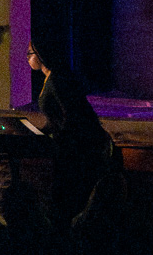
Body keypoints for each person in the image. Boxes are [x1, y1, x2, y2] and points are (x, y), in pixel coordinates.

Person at [26, 38, 114, 222]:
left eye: (30, 53)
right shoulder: (51, 78)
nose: (27, 58)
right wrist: (36, 131)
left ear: (41, 54)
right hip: (70, 145)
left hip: (77, 149)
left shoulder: (57, 80)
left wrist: (57, 140)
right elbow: (55, 118)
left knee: (69, 198)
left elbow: (71, 116)